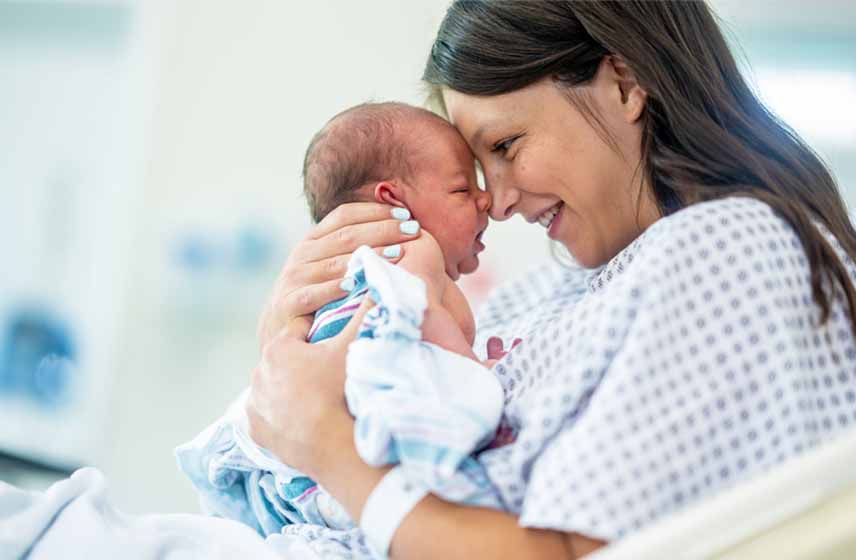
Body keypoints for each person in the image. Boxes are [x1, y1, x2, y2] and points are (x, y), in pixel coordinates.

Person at [247, 1, 856, 558]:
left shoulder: (731, 251)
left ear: (623, 84)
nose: (499, 202)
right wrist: (297, 338)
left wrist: (324, 442)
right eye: (477, 172)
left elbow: (568, 553)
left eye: (506, 144)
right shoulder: (551, 295)